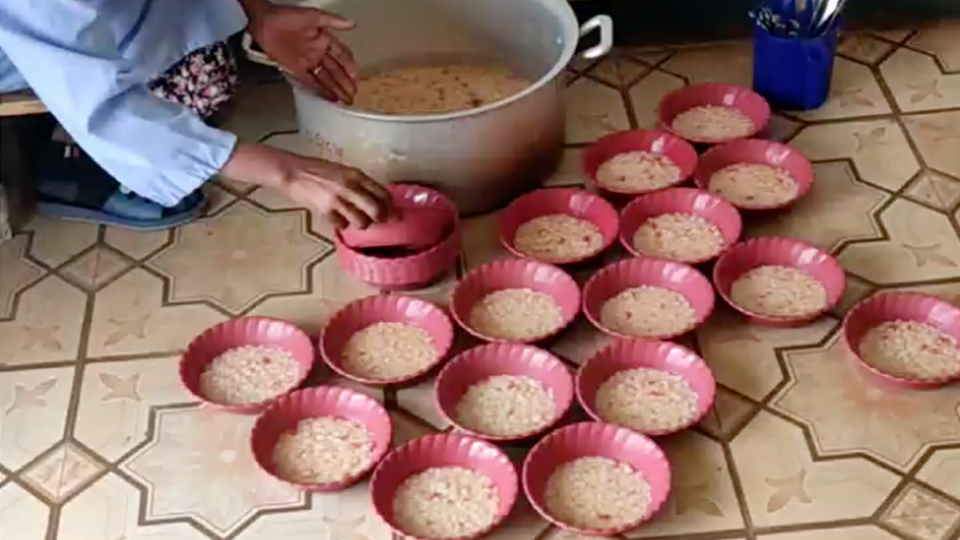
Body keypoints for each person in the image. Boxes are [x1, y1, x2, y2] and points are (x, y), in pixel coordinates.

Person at [0, 0, 392, 231]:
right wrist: (288, 172)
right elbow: (100, 104)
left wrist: (258, 14)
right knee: (171, 103)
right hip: (27, 46)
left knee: (208, 70)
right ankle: (70, 164)